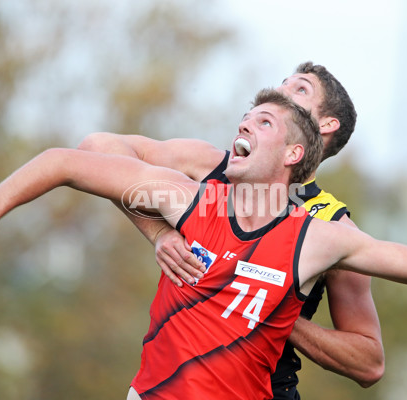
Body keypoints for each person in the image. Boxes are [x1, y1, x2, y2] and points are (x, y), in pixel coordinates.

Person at [0, 89, 407, 400]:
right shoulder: (186, 200)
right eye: (246, 117)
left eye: (265, 120)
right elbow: (67, 161)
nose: (245, 124)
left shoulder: (319, 238)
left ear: (297, 152)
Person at [77, 62, 383, 397]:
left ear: (327, 124)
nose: (281, 91)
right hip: (168, 386)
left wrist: (274, 312)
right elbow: (97, 148)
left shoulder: (333, 225)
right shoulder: (214, 167)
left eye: (300, 89)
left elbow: (368, 363)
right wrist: (159, 232)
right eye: (283, 83)